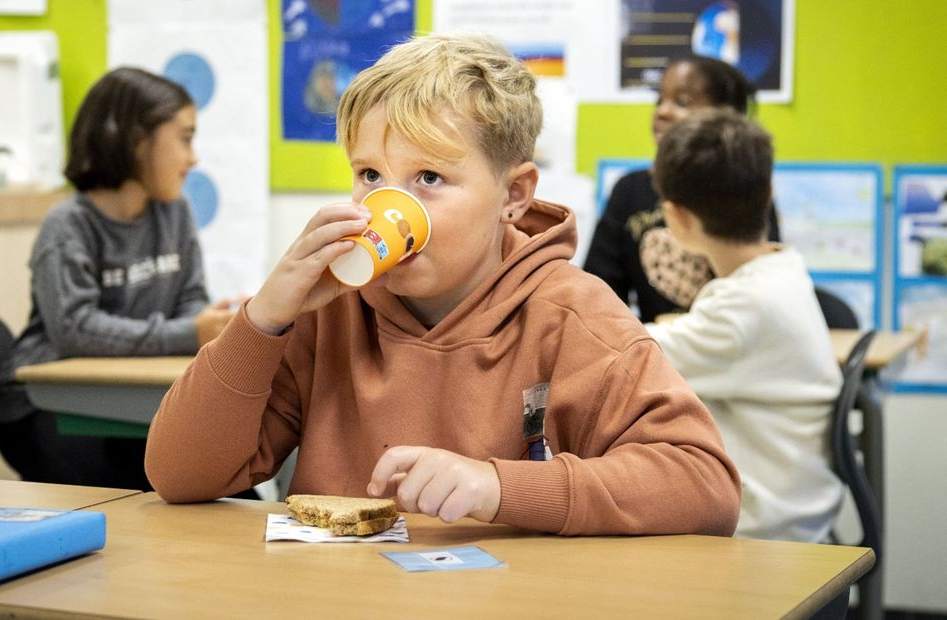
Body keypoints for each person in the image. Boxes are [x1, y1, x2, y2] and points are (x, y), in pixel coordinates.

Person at [145, 33, 740, 536]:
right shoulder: (329, 310)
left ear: (513, 196)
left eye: (429, 176)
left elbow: (704, 485)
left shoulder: (571, 314)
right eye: (370, 174)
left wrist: (501, 487)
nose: (390, 204)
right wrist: (263, 319)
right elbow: (178, 473)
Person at [0, 67, 239, 491]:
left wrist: (202, 324)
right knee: (129, 497)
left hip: (125, 401)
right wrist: (189, 332)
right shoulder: (67, 225)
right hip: (42, 406)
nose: (193, 157)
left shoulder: (174, 212)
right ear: (135, 139)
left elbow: (191, 298)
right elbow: (75, 330)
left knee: (228, 491)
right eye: (184, 137)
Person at [644, 108, 843, 542]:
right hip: (795, 509)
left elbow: (630, 352)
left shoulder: (742, 308)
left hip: (765, 530)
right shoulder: (781, 269)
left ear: (675, 218)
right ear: (769, 192)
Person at [584, 55, 781, 323]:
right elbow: (597, 294)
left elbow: (757, 279)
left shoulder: (743, 188)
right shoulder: (630, 190)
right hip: (659, 352)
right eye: (660, 100)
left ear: (725, 119)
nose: (662, 111)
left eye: (682, 102)